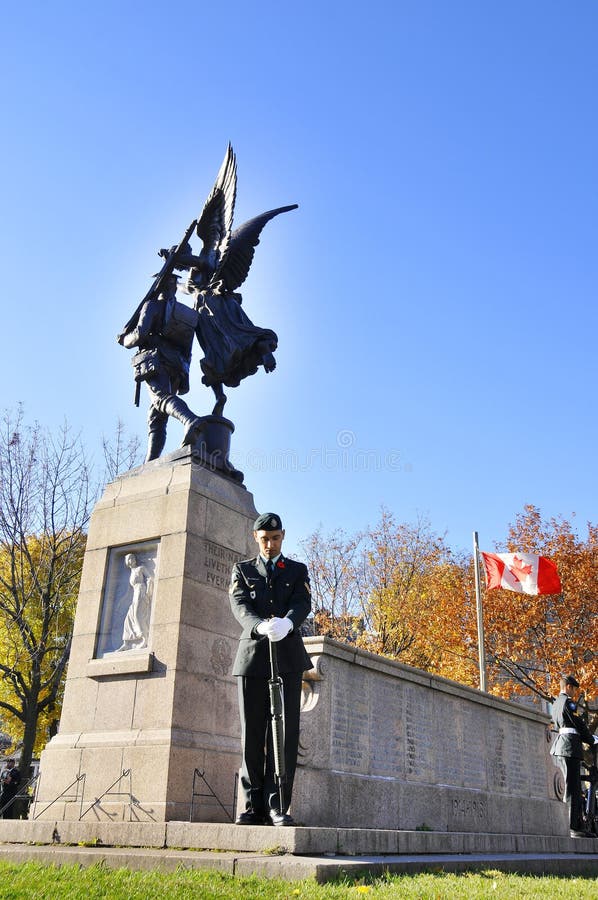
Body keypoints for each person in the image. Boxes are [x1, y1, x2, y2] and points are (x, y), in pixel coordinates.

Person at [229, 513, 312, 826]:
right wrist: (257, 626)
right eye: (264, 538)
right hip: (252, 658)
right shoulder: (243, 570)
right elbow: (239, 604)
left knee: (284, 732)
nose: (269, 544)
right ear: (256, 537)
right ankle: (253, 806)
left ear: (283, 537)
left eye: (275, 538)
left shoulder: (296, 570)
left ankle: (278, 805)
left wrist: (289, 622)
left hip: (287, 658)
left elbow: (303, 601)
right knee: (252, 733)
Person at [119, 272, 205, 462]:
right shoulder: (185, 313)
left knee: (161, 399)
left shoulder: (151, 306)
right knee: (156, 414)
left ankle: (189, 420)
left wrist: (125, 339)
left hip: (155, 361)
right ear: (174, 288)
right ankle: (151, 461)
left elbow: (140, 335)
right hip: (177, 364)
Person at [550, 674, 597, 837]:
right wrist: (591, 740)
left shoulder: (555, 703)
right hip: (569, 747)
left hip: (561, 746)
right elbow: (579, 724)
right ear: (568, 686)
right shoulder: (568, 703)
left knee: (567, 787)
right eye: (575, 689)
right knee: (573, 788)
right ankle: (573, 826)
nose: (575, 693)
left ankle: (571, 824)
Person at [117, 554, 153, 651]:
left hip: (141, 592)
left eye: (133, 557)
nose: (133, 559)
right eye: (130, 558)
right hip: (135, 593)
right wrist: (122, 601)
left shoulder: (141, 568)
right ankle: (127, 643)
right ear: (127, 562)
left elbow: (150, 578)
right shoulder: (131, 572)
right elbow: (129, 590)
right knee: (129, 618)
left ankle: (145, 639)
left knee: (137, 615)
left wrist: (148, 592)